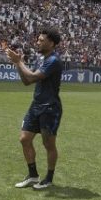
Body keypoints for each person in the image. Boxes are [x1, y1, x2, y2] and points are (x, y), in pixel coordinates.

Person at [6, 28, 64, 190]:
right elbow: (27, 81)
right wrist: (17, 64)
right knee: (24, 139)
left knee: (48, 144)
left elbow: (31, 77)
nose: (37, 42)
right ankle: (33, 175)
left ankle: (49, 178)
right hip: (36, 105)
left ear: (51, 43)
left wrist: (19, 62)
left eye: (41, 40)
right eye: (37, 39)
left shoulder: (53, 60)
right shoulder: (42, 59)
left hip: (50, 108)